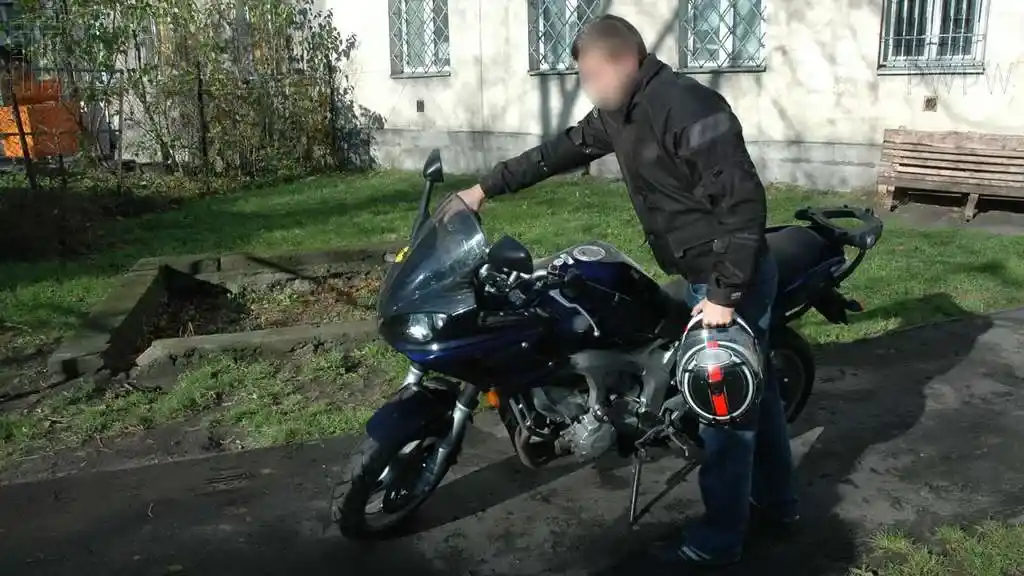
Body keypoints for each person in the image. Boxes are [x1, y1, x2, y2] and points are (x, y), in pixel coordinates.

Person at [455, 14, 798, 569]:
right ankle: (780, 504)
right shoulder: (620, 111)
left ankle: (720, 541)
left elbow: (742, 204)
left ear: (625, 61)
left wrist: (725, 294)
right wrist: (483, 188)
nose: (588, 89)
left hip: (731, 278)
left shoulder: (690, 108)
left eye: (592, 76)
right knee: (758, 401)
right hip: (703, 274)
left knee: (724, 413)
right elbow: (561, 150)